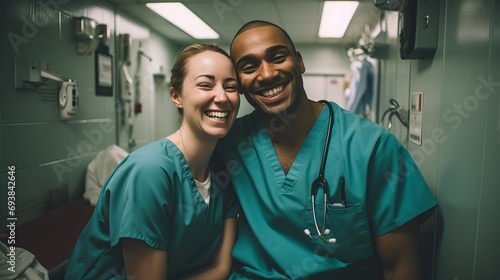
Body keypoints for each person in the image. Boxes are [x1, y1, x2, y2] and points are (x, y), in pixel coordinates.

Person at [216, 20, 438, 279]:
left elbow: (400, 265)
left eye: (278, 57)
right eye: (249, 67)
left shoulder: (372, 147)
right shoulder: (228, 145)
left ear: (299, 62)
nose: (267, 74)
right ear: (239, 84)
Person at [64, 43, 241, 280]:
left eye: (231, 87)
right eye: (205, 85)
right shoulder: (149, 171)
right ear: (176, 96)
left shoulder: (222, 173)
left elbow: (221, 268)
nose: (222, 97)